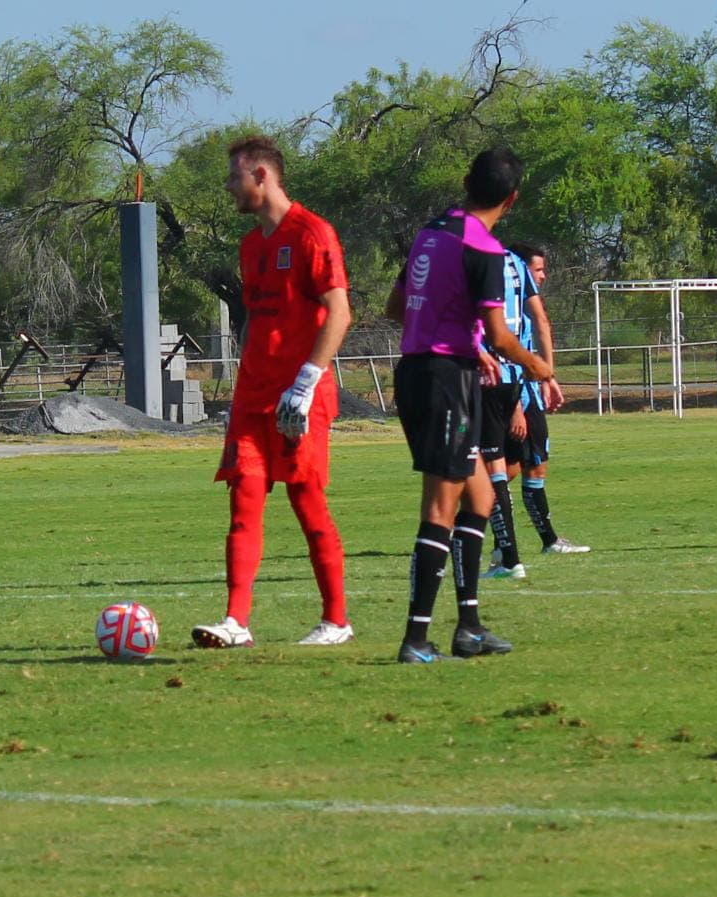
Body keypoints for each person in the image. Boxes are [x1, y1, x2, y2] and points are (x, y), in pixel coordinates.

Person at [387, 147, 552, 664]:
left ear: (465, 181)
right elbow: (503, 336)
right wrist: (539, 366)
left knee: (480, 500)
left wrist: (468, 345)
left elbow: (396, 307)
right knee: (440, 508)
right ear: (512, 198)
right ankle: (415, 639)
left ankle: (469, 629)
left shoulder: (429, 233)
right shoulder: (484, 250)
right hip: (444, 384)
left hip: (427, 374)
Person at [191, 136, 354, 648]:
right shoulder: (250, 245)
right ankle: (236, 621)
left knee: (307, 501)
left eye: (234, 176)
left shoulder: (312, 233)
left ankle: (336, 620)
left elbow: (341, 312)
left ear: (262, 176)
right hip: (252, 398)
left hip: (299, 397)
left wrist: (306, 382)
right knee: (242, 502)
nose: (228, 186)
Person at [484, 244, 588, 579]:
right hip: (516, 392)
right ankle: (515, 543)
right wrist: (530, 392)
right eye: (538, 270)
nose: (542, 276)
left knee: (519, 467)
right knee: (513, 469)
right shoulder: (511, 305)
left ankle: (512, 540)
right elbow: (516, 346)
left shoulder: (515, 310)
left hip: (520, 390)